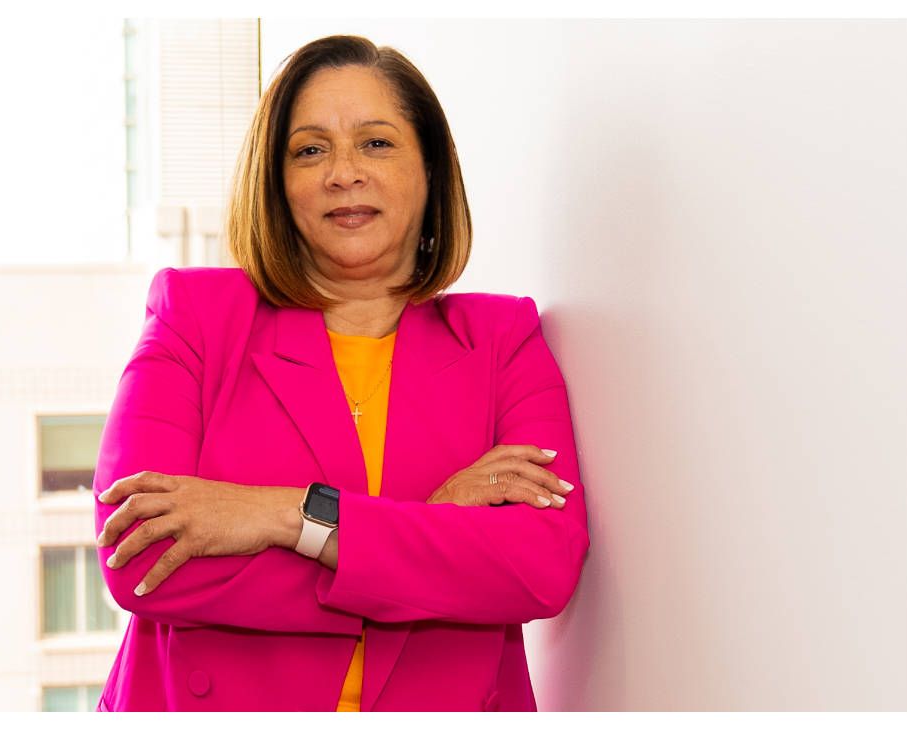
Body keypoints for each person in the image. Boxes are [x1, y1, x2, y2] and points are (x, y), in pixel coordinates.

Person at [90, 35, 588, 712]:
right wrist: (428, 533)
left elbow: (541, 567)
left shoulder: (503, 338)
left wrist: (286, 515)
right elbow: (140, 555)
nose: (343, 173)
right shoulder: (197, 318)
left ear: (431, 172)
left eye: (376, 143)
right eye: (310, 149)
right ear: (276, 181)